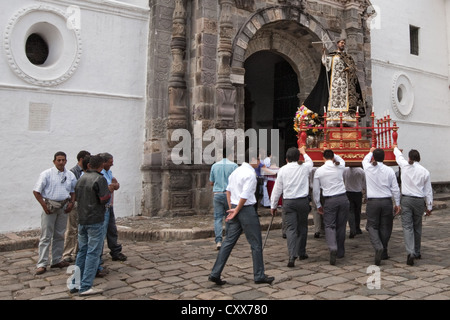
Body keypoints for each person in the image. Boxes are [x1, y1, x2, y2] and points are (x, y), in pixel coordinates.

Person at [208, 149, 274, 285]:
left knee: (228, 242)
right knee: (256, 243)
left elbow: (228, 190)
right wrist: (237, 209)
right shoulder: (250, 174)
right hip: (245, 209)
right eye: (259, 159)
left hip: (234, 207)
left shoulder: (236, 171)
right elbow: (245, 195)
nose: (260, 162)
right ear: (253, 159)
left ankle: (215, 272)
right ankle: (259, 274)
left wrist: (231, 208)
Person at [72, 154, 112, 296]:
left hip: (82, 219)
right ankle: (85, 286)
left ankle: (74, 283)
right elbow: (104, 198)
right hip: (95, 219)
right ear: (101, 165)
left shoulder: (81, 178)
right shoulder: (99, 179)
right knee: (93, 253)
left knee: (82, 252)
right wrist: (110, 190)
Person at [302, 39, 366, 125]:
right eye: (341, 43)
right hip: (334, 83)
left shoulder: (348, 57)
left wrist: (349, 68)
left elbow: (353, 68)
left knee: (346, 101)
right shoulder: (332, 56)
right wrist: (324, 53)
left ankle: (346, 117)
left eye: (344, 43)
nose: (343, 44)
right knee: (334, 100)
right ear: (337, 44)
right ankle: (333, 117)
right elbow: (325, 64)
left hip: (345, 84)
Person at [33, 151, 77, 275]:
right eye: (59, 160)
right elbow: (37, 191)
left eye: (63, 160)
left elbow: (73, 190)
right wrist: (44, 205)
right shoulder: (46, 174)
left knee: (59, 234)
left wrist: (71, 203)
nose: (61, 162)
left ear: (66, 161)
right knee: (46, 236)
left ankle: (56, 260)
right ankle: (42, 263)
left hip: (64, 206)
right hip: (50, 206)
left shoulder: (70, 175)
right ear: (54, 161)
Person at [270, 146, 313, 267]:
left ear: (286, 159)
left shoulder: (283, 170)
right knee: (302, 227)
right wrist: (304, 153)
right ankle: (301, 252)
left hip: (288, 202)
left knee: (290, 229)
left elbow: (277, 189)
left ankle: (291, 255)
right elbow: (310, 162)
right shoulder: (304, 167)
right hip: (302, 201)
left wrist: (273, 205)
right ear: (298, 157)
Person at [394, 145, 433, 266]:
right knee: (417, 226)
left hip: (406, 200)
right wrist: (429, 206)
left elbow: (398, 157)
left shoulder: (405, 166)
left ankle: (410, 252)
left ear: (409, 157)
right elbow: (428, 190)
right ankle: (417, 251)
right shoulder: (425, 171)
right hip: (419, 201)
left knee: (407, 227)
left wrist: (395, 147)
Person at [362, 147, 401, 266]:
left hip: (373, 202)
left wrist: (370, 151)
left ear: (374, 157)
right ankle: (383, 250)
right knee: (386, 226)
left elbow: (364, 160)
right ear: (384, 158)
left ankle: (378, 246)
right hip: (386, 202)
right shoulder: (389, 171)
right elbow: (395, 189)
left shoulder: (368, 167)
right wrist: (397, 204)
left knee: (372, 226)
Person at [312, 149, 349, 265]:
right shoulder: (339, 167)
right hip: (343, 198)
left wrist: (318, 204)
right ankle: (340, 251)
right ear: (333, 157)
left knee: (329, 225)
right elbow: (342, 160)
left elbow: (316, 190)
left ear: (323, 158)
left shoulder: (319, 171)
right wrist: (335, 156)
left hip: (330, 200)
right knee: (341, 226)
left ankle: (332, 246)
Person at [63, 150, 91, 263]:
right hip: (75, 202)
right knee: (71, 229)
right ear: (81, 159)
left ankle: (78, 251)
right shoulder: (73, 172)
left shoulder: (88, 171)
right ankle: (67, 253)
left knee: (82, 229)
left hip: (84, 204)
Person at [99, 153, 127, 263]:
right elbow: (108, 188)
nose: (112, 164)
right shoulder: (100, 173)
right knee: (101, 232)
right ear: (104, 162)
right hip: (103, 207)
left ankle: (115, 251)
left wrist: (114, 185)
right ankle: (98, 256)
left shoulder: (108, 172)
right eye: (110, 162)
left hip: (109, 205)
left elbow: (115, 184)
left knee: (112, 230)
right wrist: (112, 186)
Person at [209, 148, 238, 250]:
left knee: (217, 218)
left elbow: (211, 182)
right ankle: (228, 239)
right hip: (229, 194)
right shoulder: (234, 166)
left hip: (217, 194)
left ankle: (218, 241)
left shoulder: (215, 165)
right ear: (230, 155)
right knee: (229, 216)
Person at [343, 166, 366, 238]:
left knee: (351, 211)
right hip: (358, 193)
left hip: (348, 192)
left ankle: (352, 229)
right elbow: (364, 183)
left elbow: (343, 180)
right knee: (357, 211)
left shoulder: (345, 170)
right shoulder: (361, 171)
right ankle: (357, 228)